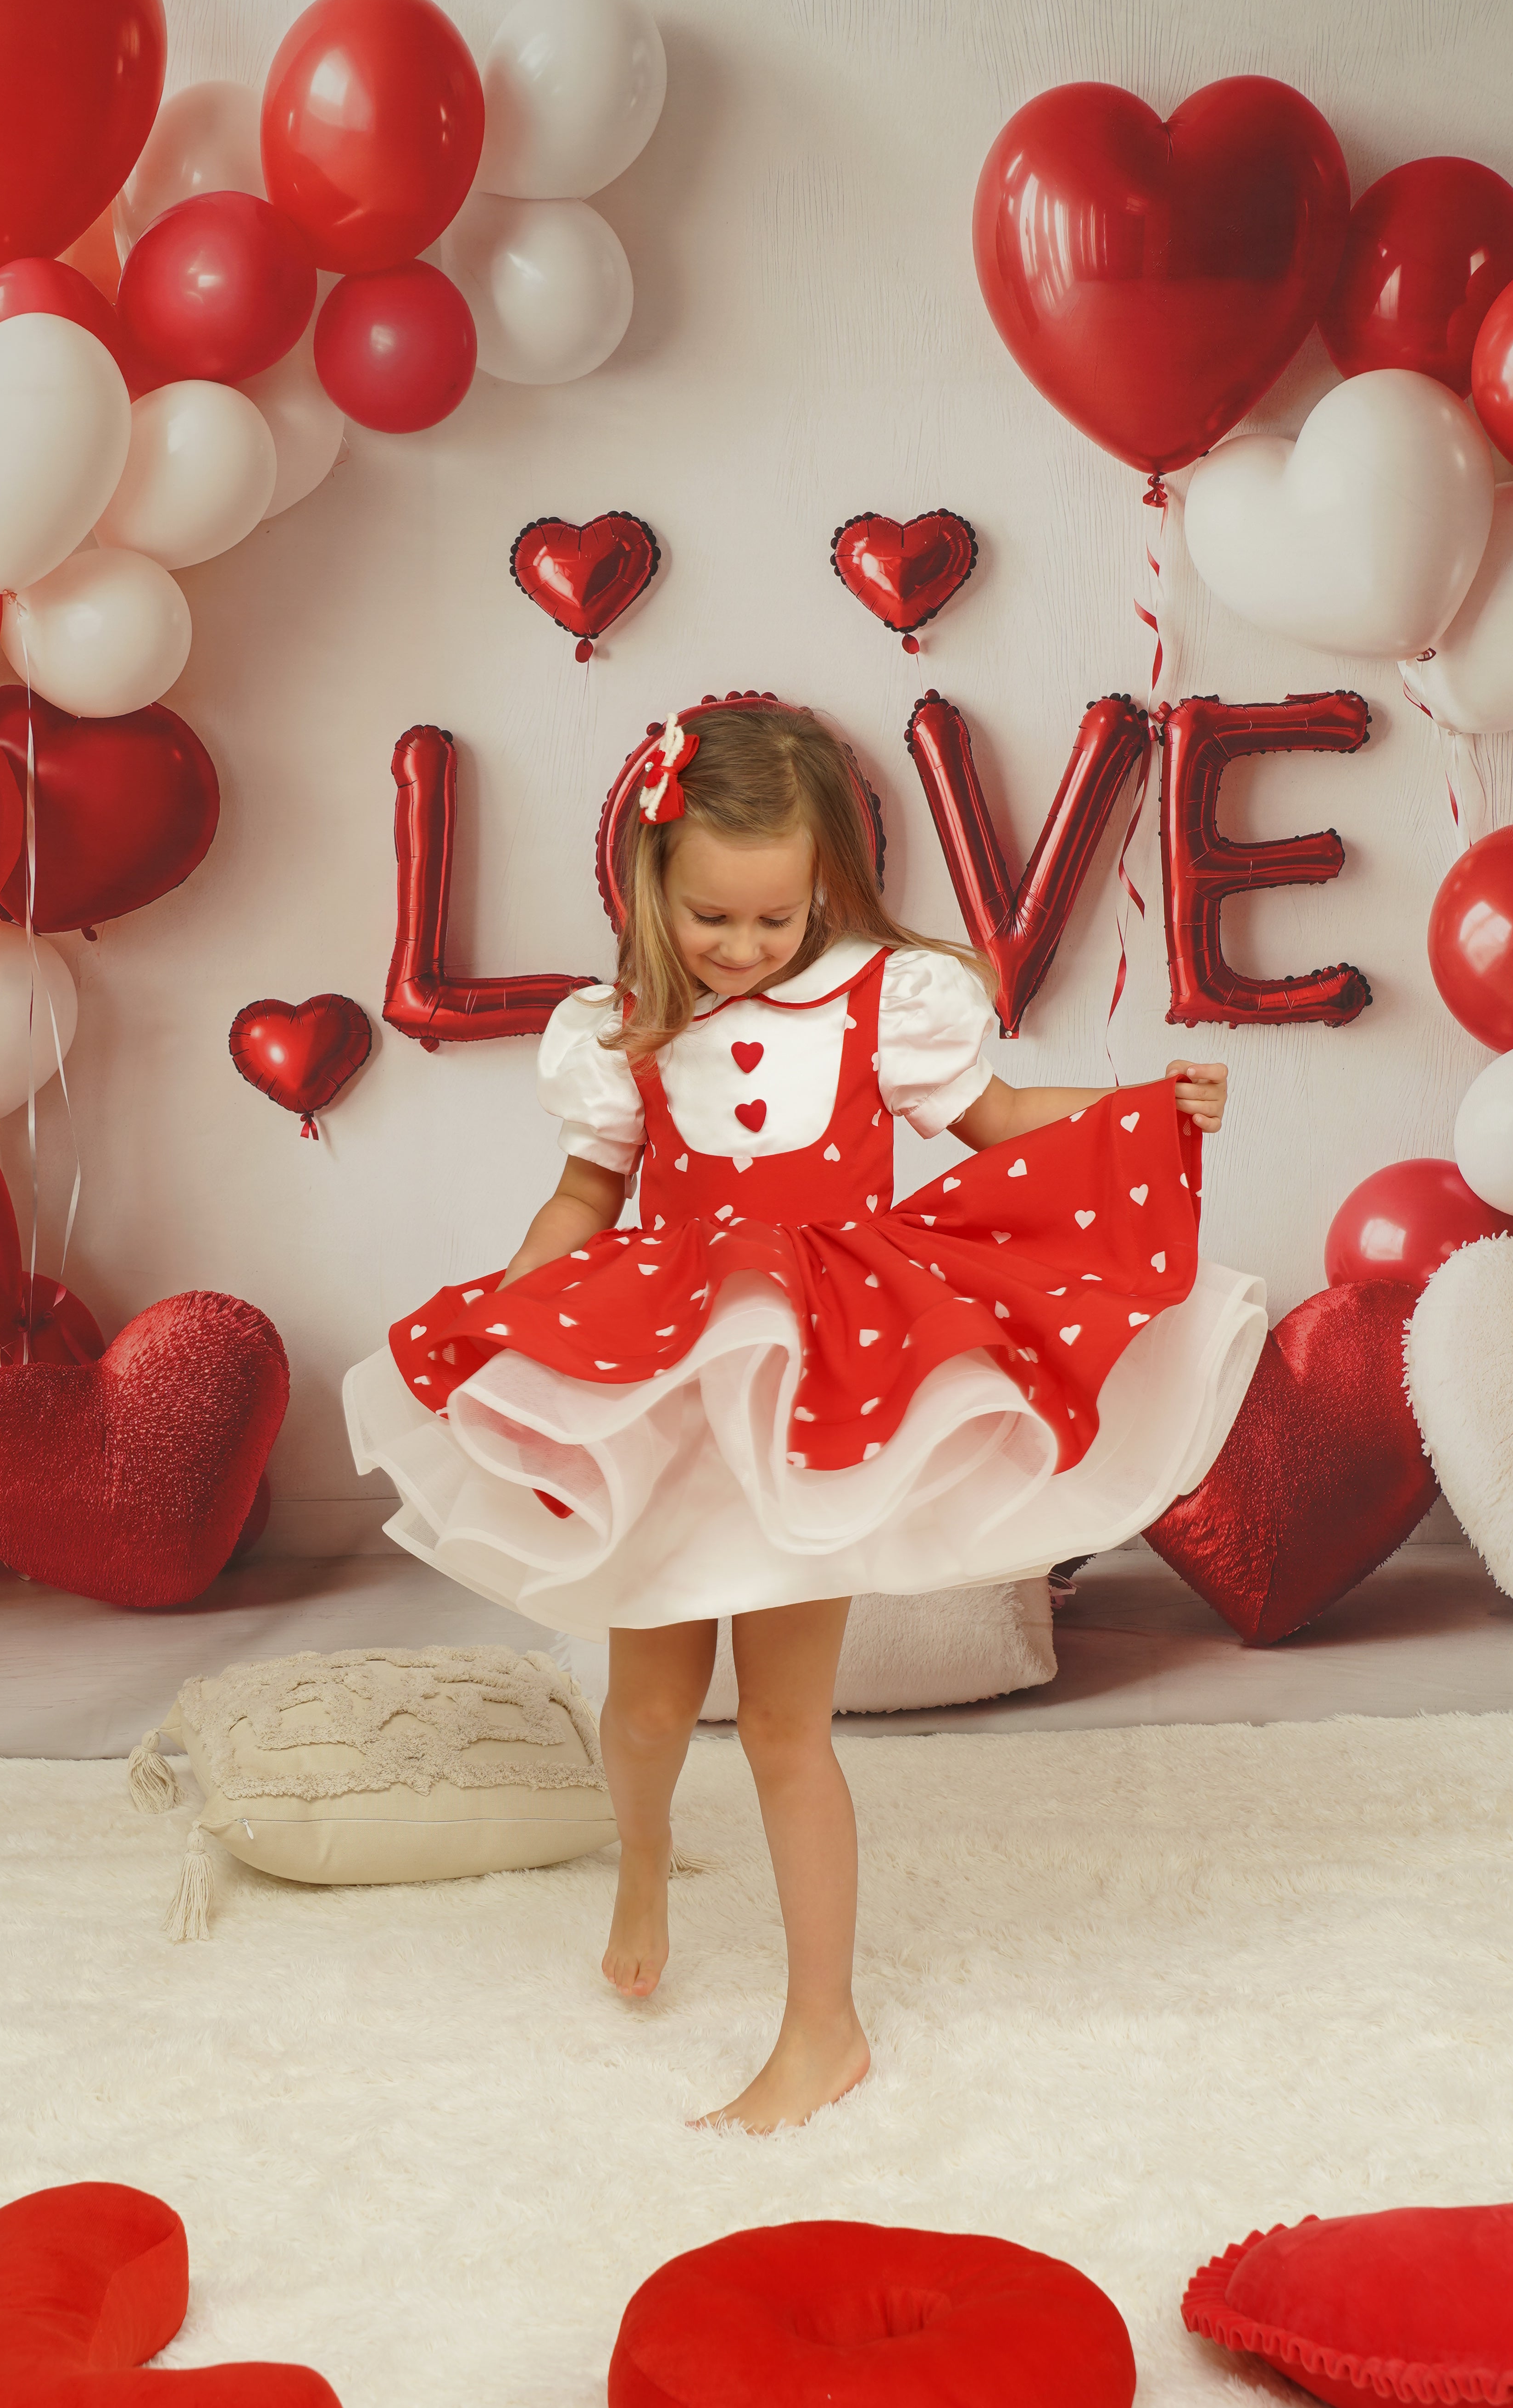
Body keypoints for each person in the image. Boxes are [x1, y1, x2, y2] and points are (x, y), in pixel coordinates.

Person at [344, 700, 1264, 2132]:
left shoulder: (884, 999)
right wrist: (521, 1322)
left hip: (825, 1381)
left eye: (778, 919)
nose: (747, 948)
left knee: (786, 1725)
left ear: (824, 885)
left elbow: (1001, 1117)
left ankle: (822, 2028)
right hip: (666, 1375)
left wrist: (1150, 1109)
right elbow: (589, 1195)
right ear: (653, 883)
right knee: (648, 1707)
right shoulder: (623, 1029)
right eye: (716, 916)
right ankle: (642, 1857)